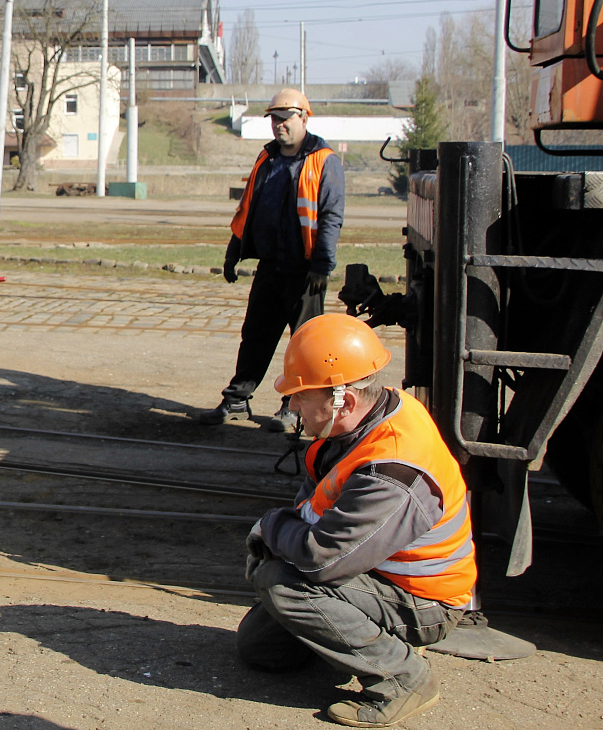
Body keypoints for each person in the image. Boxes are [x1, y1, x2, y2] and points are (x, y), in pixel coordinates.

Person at [238, 314, 475, 728]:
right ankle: (366, 639)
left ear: (342, 400)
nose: (292, 406)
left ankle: (404, 678)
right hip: (374, 575)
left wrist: (271, 528)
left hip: (422, 601)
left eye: (300, 396)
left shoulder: (394, 470)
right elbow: (316, 505)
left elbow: (324, 558)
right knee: (261, 649)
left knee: (281, 583)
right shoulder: (361, 421)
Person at [199, 88, 344, 430]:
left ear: (304, 118)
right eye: (274, 119)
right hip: (270, 268)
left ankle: (294, 409)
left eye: (285, 118)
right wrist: (233, 251)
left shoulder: (324, 160)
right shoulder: (267, 158)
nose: (279, 125)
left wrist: (322, 266)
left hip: (305, 273)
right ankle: (236, 400)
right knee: (255, 336)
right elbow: (247, 208)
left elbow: (330, 217)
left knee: (305, 345)